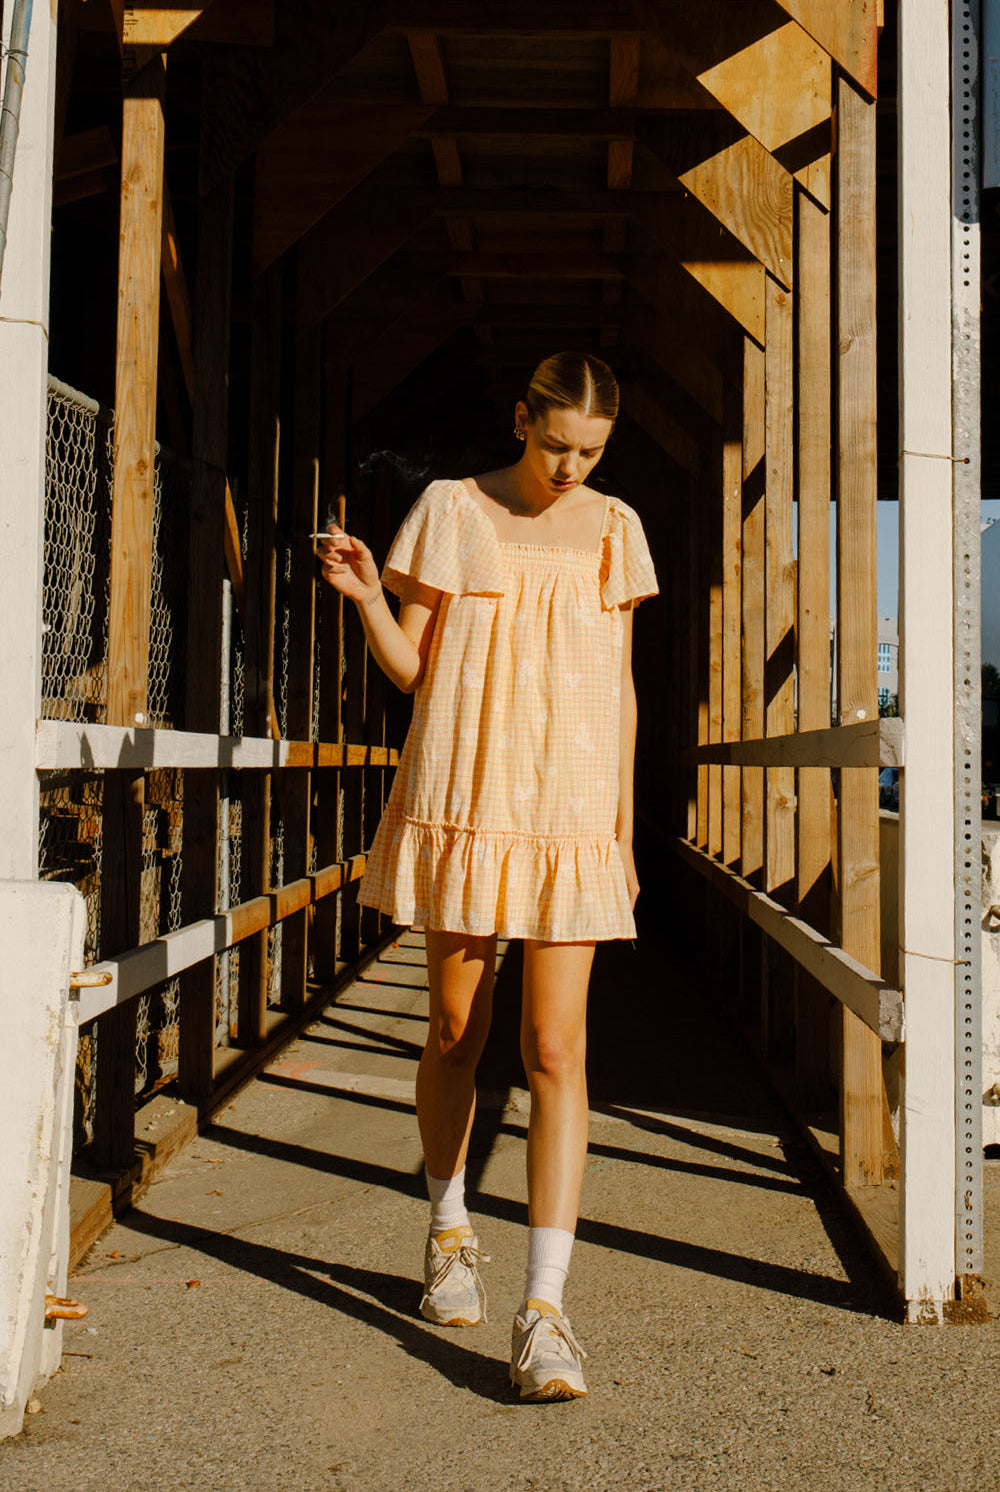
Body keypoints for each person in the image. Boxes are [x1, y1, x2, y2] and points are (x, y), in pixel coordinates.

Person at [317, 351, 658, 1402]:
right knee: (456, 1032)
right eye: (555, 445)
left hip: (570, 815)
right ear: (521, 421)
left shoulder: (616, 528)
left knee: (555, 1048)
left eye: (589, 451)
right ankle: (449, 1226)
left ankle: (545, 1310)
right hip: (468, 793)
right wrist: (367, 596)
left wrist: (623, 832)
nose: (570, 467)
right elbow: (413, 667)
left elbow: (622, 688)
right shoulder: (451, 508)